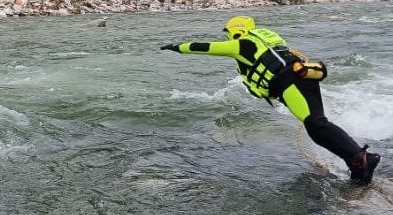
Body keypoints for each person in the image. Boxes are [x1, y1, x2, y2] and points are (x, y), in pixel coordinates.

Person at [161, 16, 381, 184]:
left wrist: (176, 47)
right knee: (317, 124)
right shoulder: (269, 38)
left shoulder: (242, 43)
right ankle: (356, 163)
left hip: (288, 82)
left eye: (228, 33)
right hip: (304, 76)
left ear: (237, 30)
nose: (226, 37)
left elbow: (205, 48)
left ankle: (361, 159)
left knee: (316, 124)